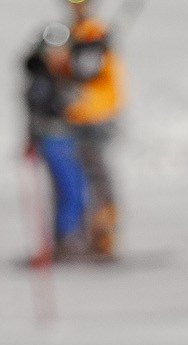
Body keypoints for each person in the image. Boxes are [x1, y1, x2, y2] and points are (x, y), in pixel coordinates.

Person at [58, 0, 125, 258]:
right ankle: (84, 236)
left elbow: (88, 69)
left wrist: (85, 50)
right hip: (76, 117)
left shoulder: (94, 33)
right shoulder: (71, 32)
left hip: (97, 116)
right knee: (79, 180)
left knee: (97, 177)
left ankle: (103, 236)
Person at [21, 21, 86, 260]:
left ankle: (72, 240)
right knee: (70, 192)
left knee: (76, 190)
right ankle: (65, 242)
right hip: (54, 140)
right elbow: (45, 108)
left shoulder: (57, 77)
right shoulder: (43, 80)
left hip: (63, 139)